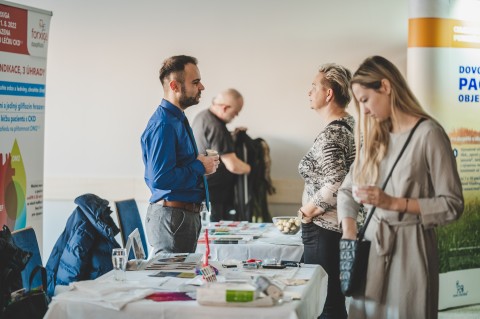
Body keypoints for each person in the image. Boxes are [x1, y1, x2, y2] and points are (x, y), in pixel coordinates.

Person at [338, 55, 464, 319]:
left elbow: (452, 204)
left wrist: (393, 203)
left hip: (411, 250)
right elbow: (347, 190)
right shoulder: (373, 137)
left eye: (365, 101)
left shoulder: (429, 134)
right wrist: (349, 231)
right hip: (371, 246)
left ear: (385, 86)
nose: (365, 111)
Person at [141, 55, 220, 254]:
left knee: (180, 284)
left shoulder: (177, 119)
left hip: (181, 216)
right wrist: (199, 167)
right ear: (175, 86)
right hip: (173, 217)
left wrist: (201, 165)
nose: (202, 87)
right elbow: (160, 179)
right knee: (169, 284)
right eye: (195, 82)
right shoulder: (164, 124)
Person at [297, 63, 355, 319]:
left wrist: (307, 211)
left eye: (313, 87)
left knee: (325, 304)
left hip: (324, 230)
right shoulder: (351, 124)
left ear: (328, 93)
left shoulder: (332, 134)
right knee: (332, 302)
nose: (309, 92)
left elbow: (337, 182)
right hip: (340, 227)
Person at [192, 88, 251, 221]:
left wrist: (232, 137)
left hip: (203, 192)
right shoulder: (217, 127)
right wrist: (252, 169)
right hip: (215, 196)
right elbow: (233, 166)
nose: (235, 116)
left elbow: (212, 147)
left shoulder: (202, 116)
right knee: (215, 238)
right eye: (235, 113)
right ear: (225, 108)